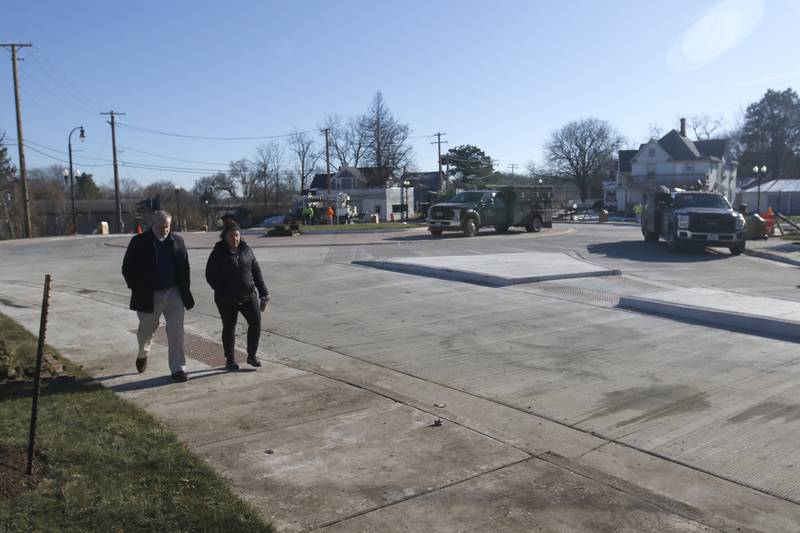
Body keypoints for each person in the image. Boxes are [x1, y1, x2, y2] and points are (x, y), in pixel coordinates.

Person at [122, 210, 195, 382]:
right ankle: (142, 353)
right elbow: (127, 269)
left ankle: (178, 368)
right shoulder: (139, 242)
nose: (165, 230)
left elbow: (185, 267)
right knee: (147, 331)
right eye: (161, 227)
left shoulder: (178, 241)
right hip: (149, 295)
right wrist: (138, 289)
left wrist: (185, 289)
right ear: (152, 225)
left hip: (174, 293)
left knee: (176, 331)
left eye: (167, 227)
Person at [205, 220, 270, 370]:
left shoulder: (246, 250)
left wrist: (263, 292)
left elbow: (256, 272)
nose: (235, 239)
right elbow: (210, 276)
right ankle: (230, 359)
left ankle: (251, 356)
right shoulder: (218, 253)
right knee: (229, 327)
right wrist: (223, 292)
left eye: (237, 235)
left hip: (248, 296)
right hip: (226, 299)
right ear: (224, 236)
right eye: (231, 236)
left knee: (256, 322)